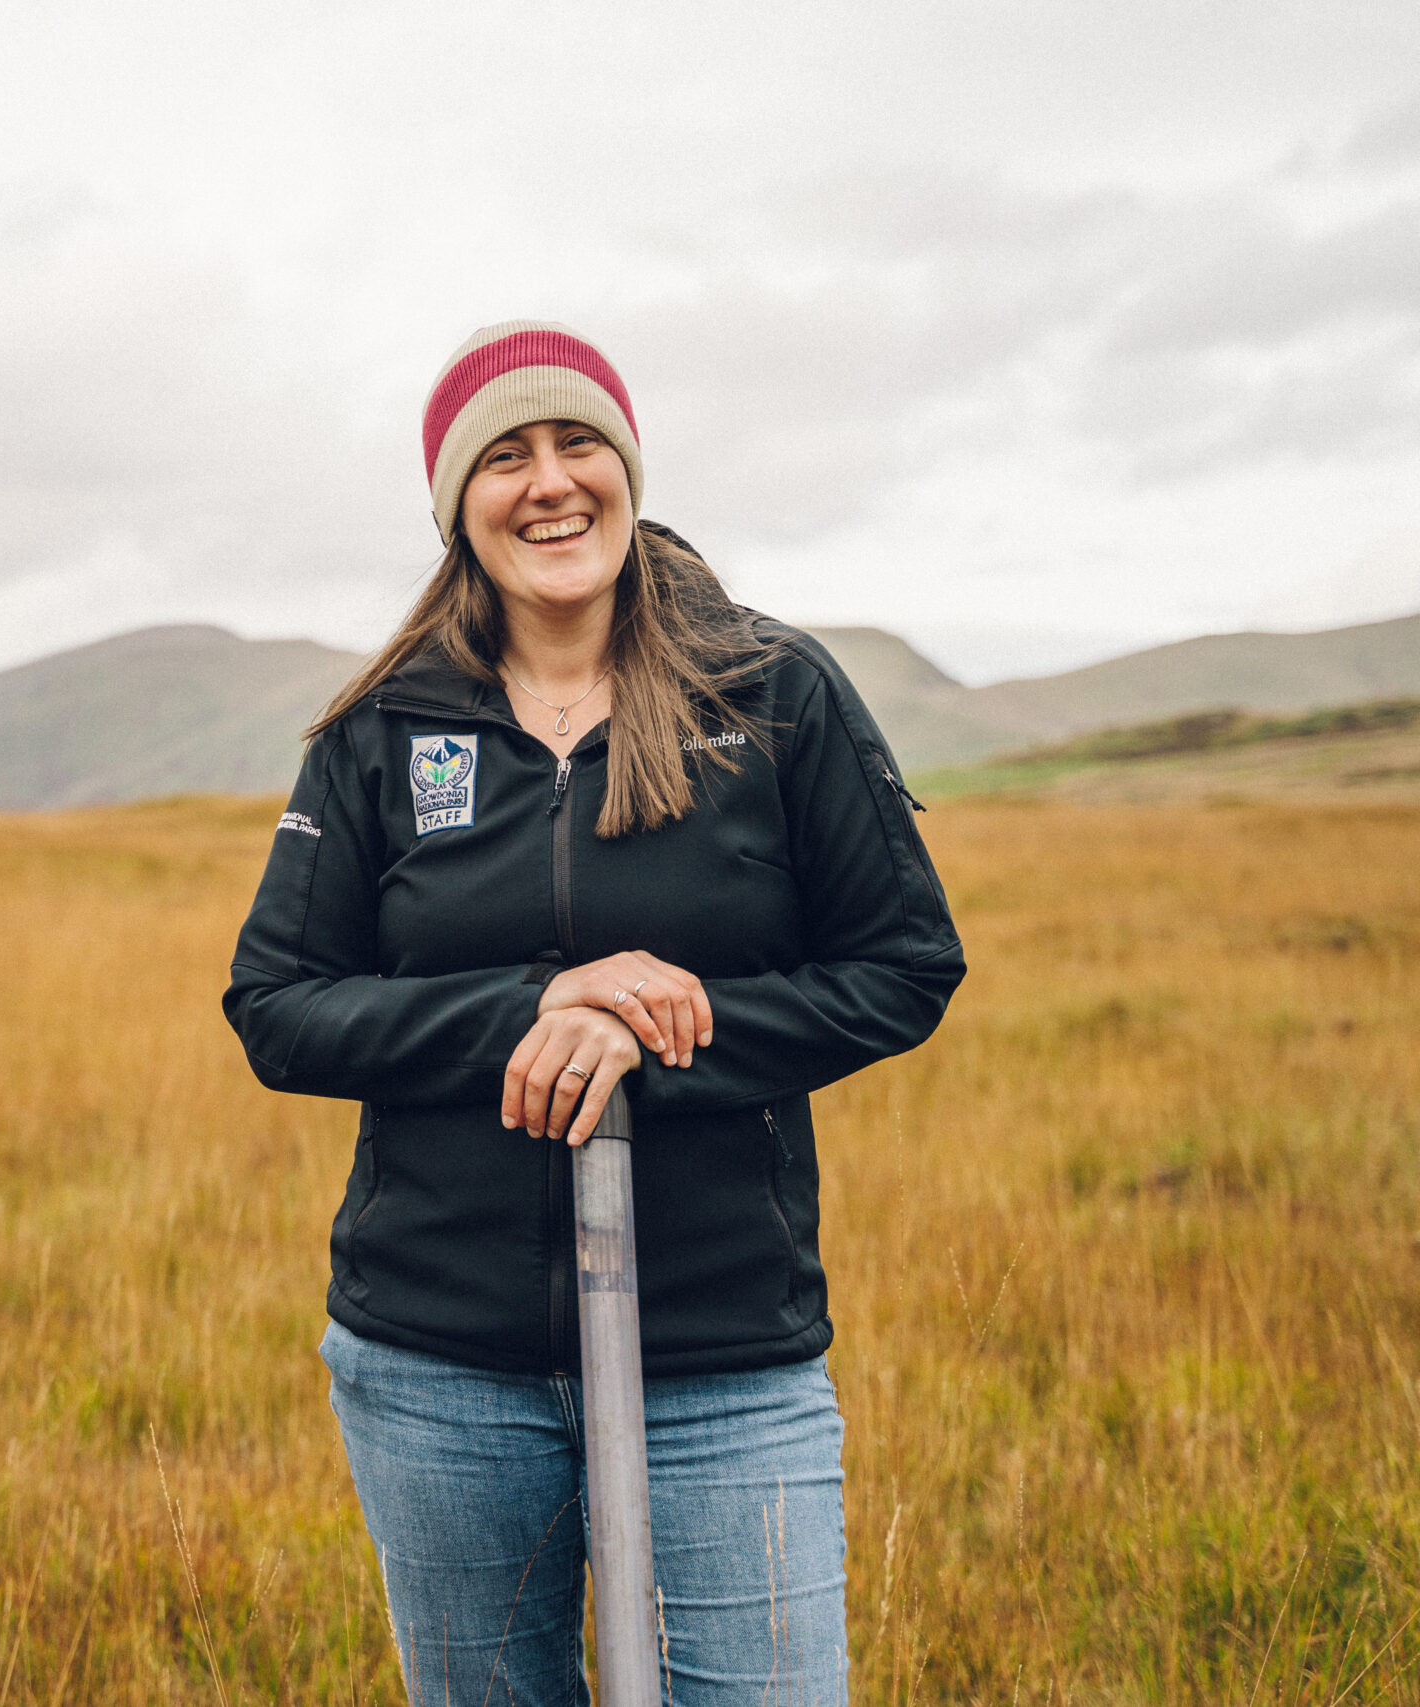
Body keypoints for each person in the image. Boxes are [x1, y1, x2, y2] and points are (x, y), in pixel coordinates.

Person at [223, 321, 965, 1705]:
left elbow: (906, 963)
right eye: (505, 457)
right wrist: (531, 1007)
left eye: (580, 446)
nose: (550, 483)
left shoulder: (774, 694)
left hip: (723, 1354)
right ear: (458, 505)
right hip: (440, 1366)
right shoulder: (382, 730)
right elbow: (278, 1007)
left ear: (628, 469)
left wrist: (656, 1034)